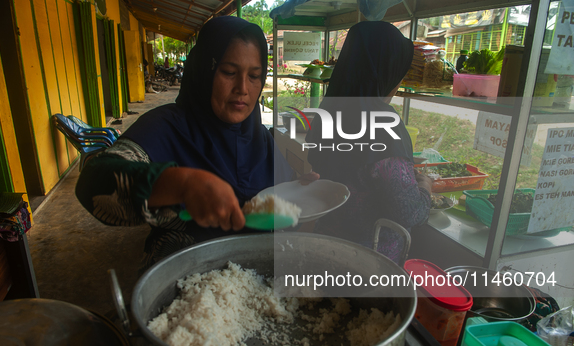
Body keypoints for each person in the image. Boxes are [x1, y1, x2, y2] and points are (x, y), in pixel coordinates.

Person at [76, 16, 311, 273]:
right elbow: (93, 182)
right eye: (229, 73)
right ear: (205, 71)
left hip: (262, 283)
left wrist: (304, 192)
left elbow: (285, 202)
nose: (242, 88)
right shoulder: (167, 127)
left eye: (254, 76)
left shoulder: (261, 138)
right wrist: (181, 184)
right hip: (188, 288)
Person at [305, 21, 432, 264]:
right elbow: (409, 211)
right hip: (367, 263)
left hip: (324, 248)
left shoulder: (328, 109)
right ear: (386, 71)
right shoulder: (384, 124)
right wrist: (425, 188)